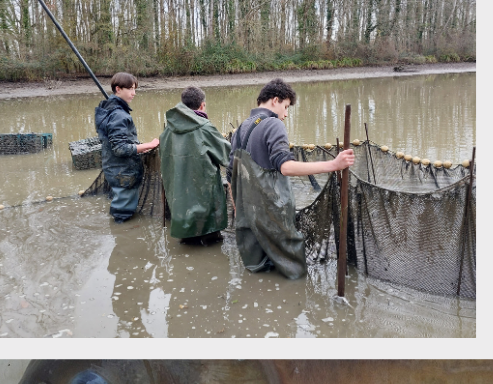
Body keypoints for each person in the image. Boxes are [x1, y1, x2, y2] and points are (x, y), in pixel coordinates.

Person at [230, 80, 354, 279]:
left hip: (247, 216)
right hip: (273, 213)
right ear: (275, 100)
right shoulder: (273, 124)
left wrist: (239, 212)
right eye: (286, 107)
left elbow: (231, 177)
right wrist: (334, 165)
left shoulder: (240, 129)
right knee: (293, 269)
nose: (286, 114)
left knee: (259, 271)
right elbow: (285, 167)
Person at [158, 86, 230, 246]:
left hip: (179, 202)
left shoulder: (168, 129)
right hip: (205, 200)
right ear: (202, 105)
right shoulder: (205, 127)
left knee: (188, 243)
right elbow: (227, 156)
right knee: (212, 245)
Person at [93, 72, 158, 223]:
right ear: (118, 89)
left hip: (115, 168)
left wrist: (140, 147)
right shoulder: (119, 115)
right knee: (123, 212)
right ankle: (121, 230)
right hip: (122, 171)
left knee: (122, 203)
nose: (133, 93)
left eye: (135, 89)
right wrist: (150, 144)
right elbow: (120, 148)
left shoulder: (110, 109)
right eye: (130, 89)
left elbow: (121, 140)